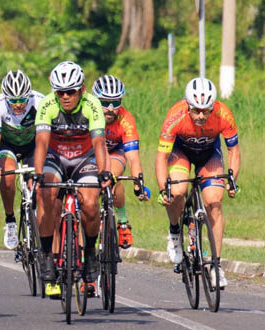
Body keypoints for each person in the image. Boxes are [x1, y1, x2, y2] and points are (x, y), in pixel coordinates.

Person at [33, 61, 111, 295]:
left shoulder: (92, 104)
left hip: (83, 159)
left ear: (82, 90)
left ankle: (89, 254)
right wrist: (37, 173)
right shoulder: (47, 105)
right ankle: (47, 256)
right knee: (46, 195)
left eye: (71, 92)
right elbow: (41, 143)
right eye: (60, 92)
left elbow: (99, 142)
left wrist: (103, 170)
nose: (65, 97)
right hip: (55, 158)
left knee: (89, 203)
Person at [156, 77, 240, 288]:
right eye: (196, 110)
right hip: (181, 152)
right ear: (187, 106)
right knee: (177, 191)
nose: (202, 115)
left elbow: (234, 150)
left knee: (214, 202)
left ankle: (216, 266)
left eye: (206, 110)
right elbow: (160, 158)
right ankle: (175, 231)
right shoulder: (175, 115)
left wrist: (232, 179)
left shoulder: (223, 114)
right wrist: (161, 187)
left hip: (209, 154)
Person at [0, 70, 45, 249]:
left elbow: (46, 135)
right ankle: (10, 219)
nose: (18, 104)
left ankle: (35, 215)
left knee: (38, 183)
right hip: (8, 145)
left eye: (22, 100)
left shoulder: (40, 101)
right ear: (6, 98)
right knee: (8, 176)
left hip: (32, 145)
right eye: (13, 100)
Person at [91, 75, 150, 248]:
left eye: (115, 103)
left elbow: (133, 158)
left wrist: (139, 184)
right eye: (104, 102)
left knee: (111, 175)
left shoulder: (126, 119)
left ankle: (122, 221)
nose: (110, 109)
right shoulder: (88, 114)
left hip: (116, 152)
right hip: (91, 153)